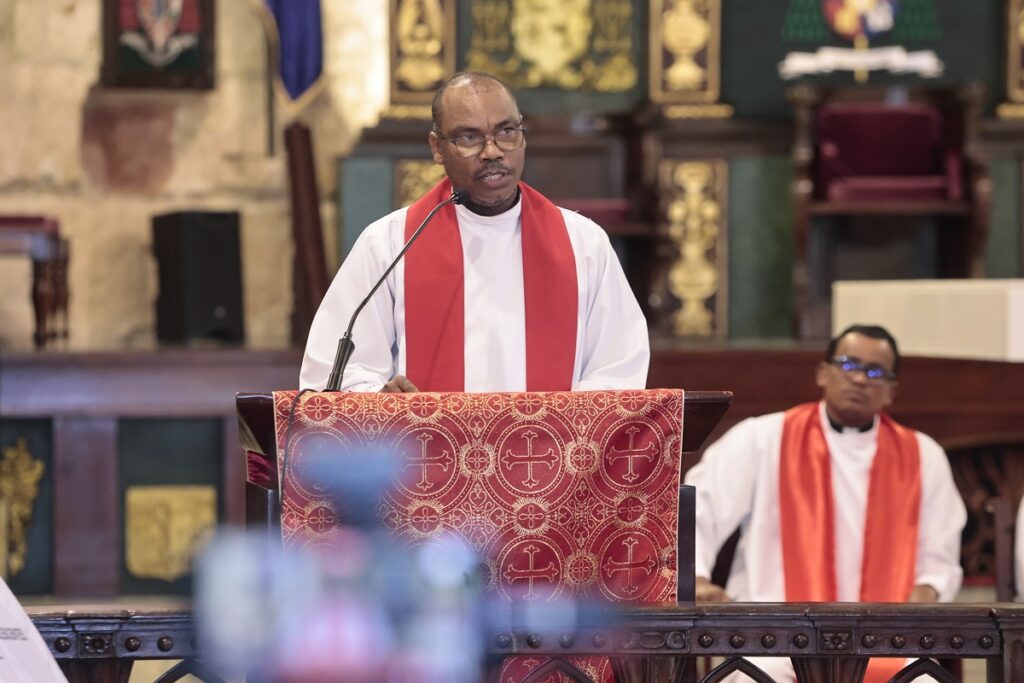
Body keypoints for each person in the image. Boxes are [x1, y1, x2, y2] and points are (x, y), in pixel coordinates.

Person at [300, 71, 648, 392]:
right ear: (437, 148)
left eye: (506, 132)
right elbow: (337, 369)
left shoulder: (583, 244)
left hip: (546, 455)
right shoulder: (390, 244)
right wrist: (380, 398)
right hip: (427, 455)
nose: (492, 151)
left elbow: (618, 368)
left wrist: (556, 432)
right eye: (470, 137)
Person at [684, 324, 966, 683]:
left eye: (875, 372)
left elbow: (939, 558)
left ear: (890, 391)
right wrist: (698, 578)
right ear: (823, 373)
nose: (861, 379)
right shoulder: (762, 438)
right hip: (771, 637)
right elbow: (700, 505)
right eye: (849, 364)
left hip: (887, 642)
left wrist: (926, 592)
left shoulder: (923, 456)